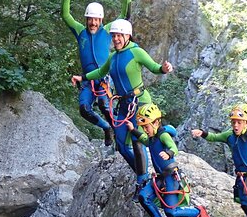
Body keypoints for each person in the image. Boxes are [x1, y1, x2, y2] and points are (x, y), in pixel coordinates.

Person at [71, 19, 173, 200]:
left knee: (136, 140)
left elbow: (154, 67)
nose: (116, 39)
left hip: (140, 103)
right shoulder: (113, 57)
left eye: (119, 35)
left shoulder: (136, 52)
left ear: (127, 36)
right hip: (125, 105)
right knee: (121, 144)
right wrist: (82, 77)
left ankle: (143, 182)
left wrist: (164, 69)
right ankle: (146, 178)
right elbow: (100, 72)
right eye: (114, 36)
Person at [62, 0, 133, 146]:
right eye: (90, 19)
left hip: (103, 80)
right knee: (84, 109)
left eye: (96, 20)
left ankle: (120, 137)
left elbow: (124, 16)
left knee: (105, 106)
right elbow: (65, 15)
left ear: (101, 20)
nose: (93, 23)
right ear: (86, 19)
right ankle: (106, 128)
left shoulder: (107, 30)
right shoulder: (80, 31)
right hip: (87, 80)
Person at [126, 104, 211, 217]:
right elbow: (145, 141)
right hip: (160, 178)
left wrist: (168, 153)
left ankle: (197, 211)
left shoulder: (163, 135)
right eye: (144, 127)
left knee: (171, 212)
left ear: (156, 122)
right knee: (143, 196)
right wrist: (133, 130)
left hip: (171, 177)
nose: (145, 130)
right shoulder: (152, 138)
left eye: (147, 126)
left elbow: (173, 147)